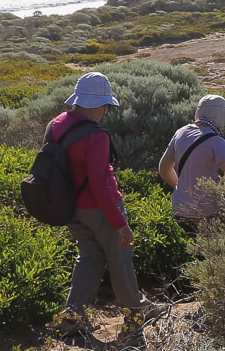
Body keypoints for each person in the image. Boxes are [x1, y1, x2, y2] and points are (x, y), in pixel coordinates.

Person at [44, 72, 148, 334]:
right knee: (120, 260)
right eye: (106, 107)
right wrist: (120, 224)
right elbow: (101, 184)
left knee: (89, 258)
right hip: (98, 209)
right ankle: (134, 320)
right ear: (101, 105)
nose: (106, 112)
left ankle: (71, 318)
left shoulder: (55, 124)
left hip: (68, 207)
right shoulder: (96, 136)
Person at [158, 94, 225, 233]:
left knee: (199, 249)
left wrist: (181, 188)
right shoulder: (217, 141)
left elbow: (164, 168)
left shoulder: (180, 133)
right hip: (207, 211)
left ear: (198, 112)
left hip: (180, 209)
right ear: (221, 116)